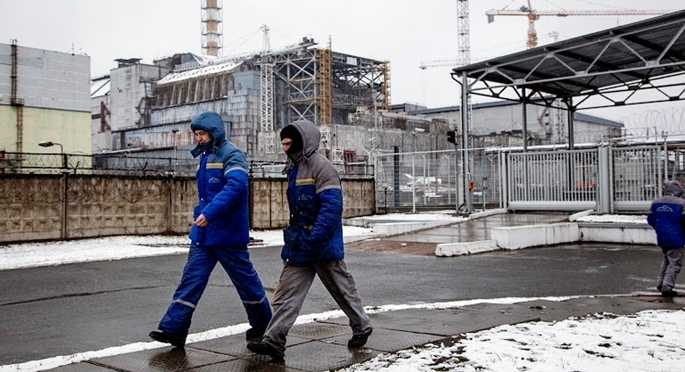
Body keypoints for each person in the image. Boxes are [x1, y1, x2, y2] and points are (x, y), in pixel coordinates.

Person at [246, 120, 372, 361]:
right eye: (282, 143)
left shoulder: (322, 167)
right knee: (286, 295)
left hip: (321, 244)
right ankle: (273, 341)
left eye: (288, 143)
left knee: (342, 290)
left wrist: (315, 238)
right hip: (300, 244)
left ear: (302, 141)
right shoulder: (293, 167)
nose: (284, 148)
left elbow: (332, 207)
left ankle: (362, 326)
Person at [149, 111, 272, 347]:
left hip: (227, 234)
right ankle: (174, 329)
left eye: (202, 133)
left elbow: (236, 187)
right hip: (204, 235)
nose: (198, 138)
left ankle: (264, 324)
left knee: (246, 283)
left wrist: (208, 213)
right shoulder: (205, 156)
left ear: (214, 133)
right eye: (196, 134)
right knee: (191, 279)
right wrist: (202, 215)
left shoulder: (232, 155)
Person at [647, 180, 685, 297]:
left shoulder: (655, 203)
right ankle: (667, 287)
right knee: (675, 263)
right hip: (676, 237)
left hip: (662, 237)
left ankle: (660, 282)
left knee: (666, 260)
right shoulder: (682, 203)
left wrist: (661, 229)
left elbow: (650, 219)